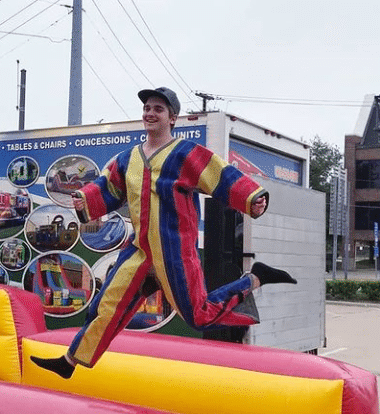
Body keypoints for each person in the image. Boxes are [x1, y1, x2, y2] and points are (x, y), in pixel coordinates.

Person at [31, 87, 296, 379]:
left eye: (158, 108)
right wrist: (86, 198)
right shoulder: (127, 159)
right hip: (139, 251)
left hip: (175, 254)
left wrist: (251, 198)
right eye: (147, 108)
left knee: (198, 316)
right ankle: (70, 362)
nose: (150, 113)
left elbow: (220, 175)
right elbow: (109, 188)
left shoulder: (186, 154)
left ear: (172, 118)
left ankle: (254, 278)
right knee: (106, 307)